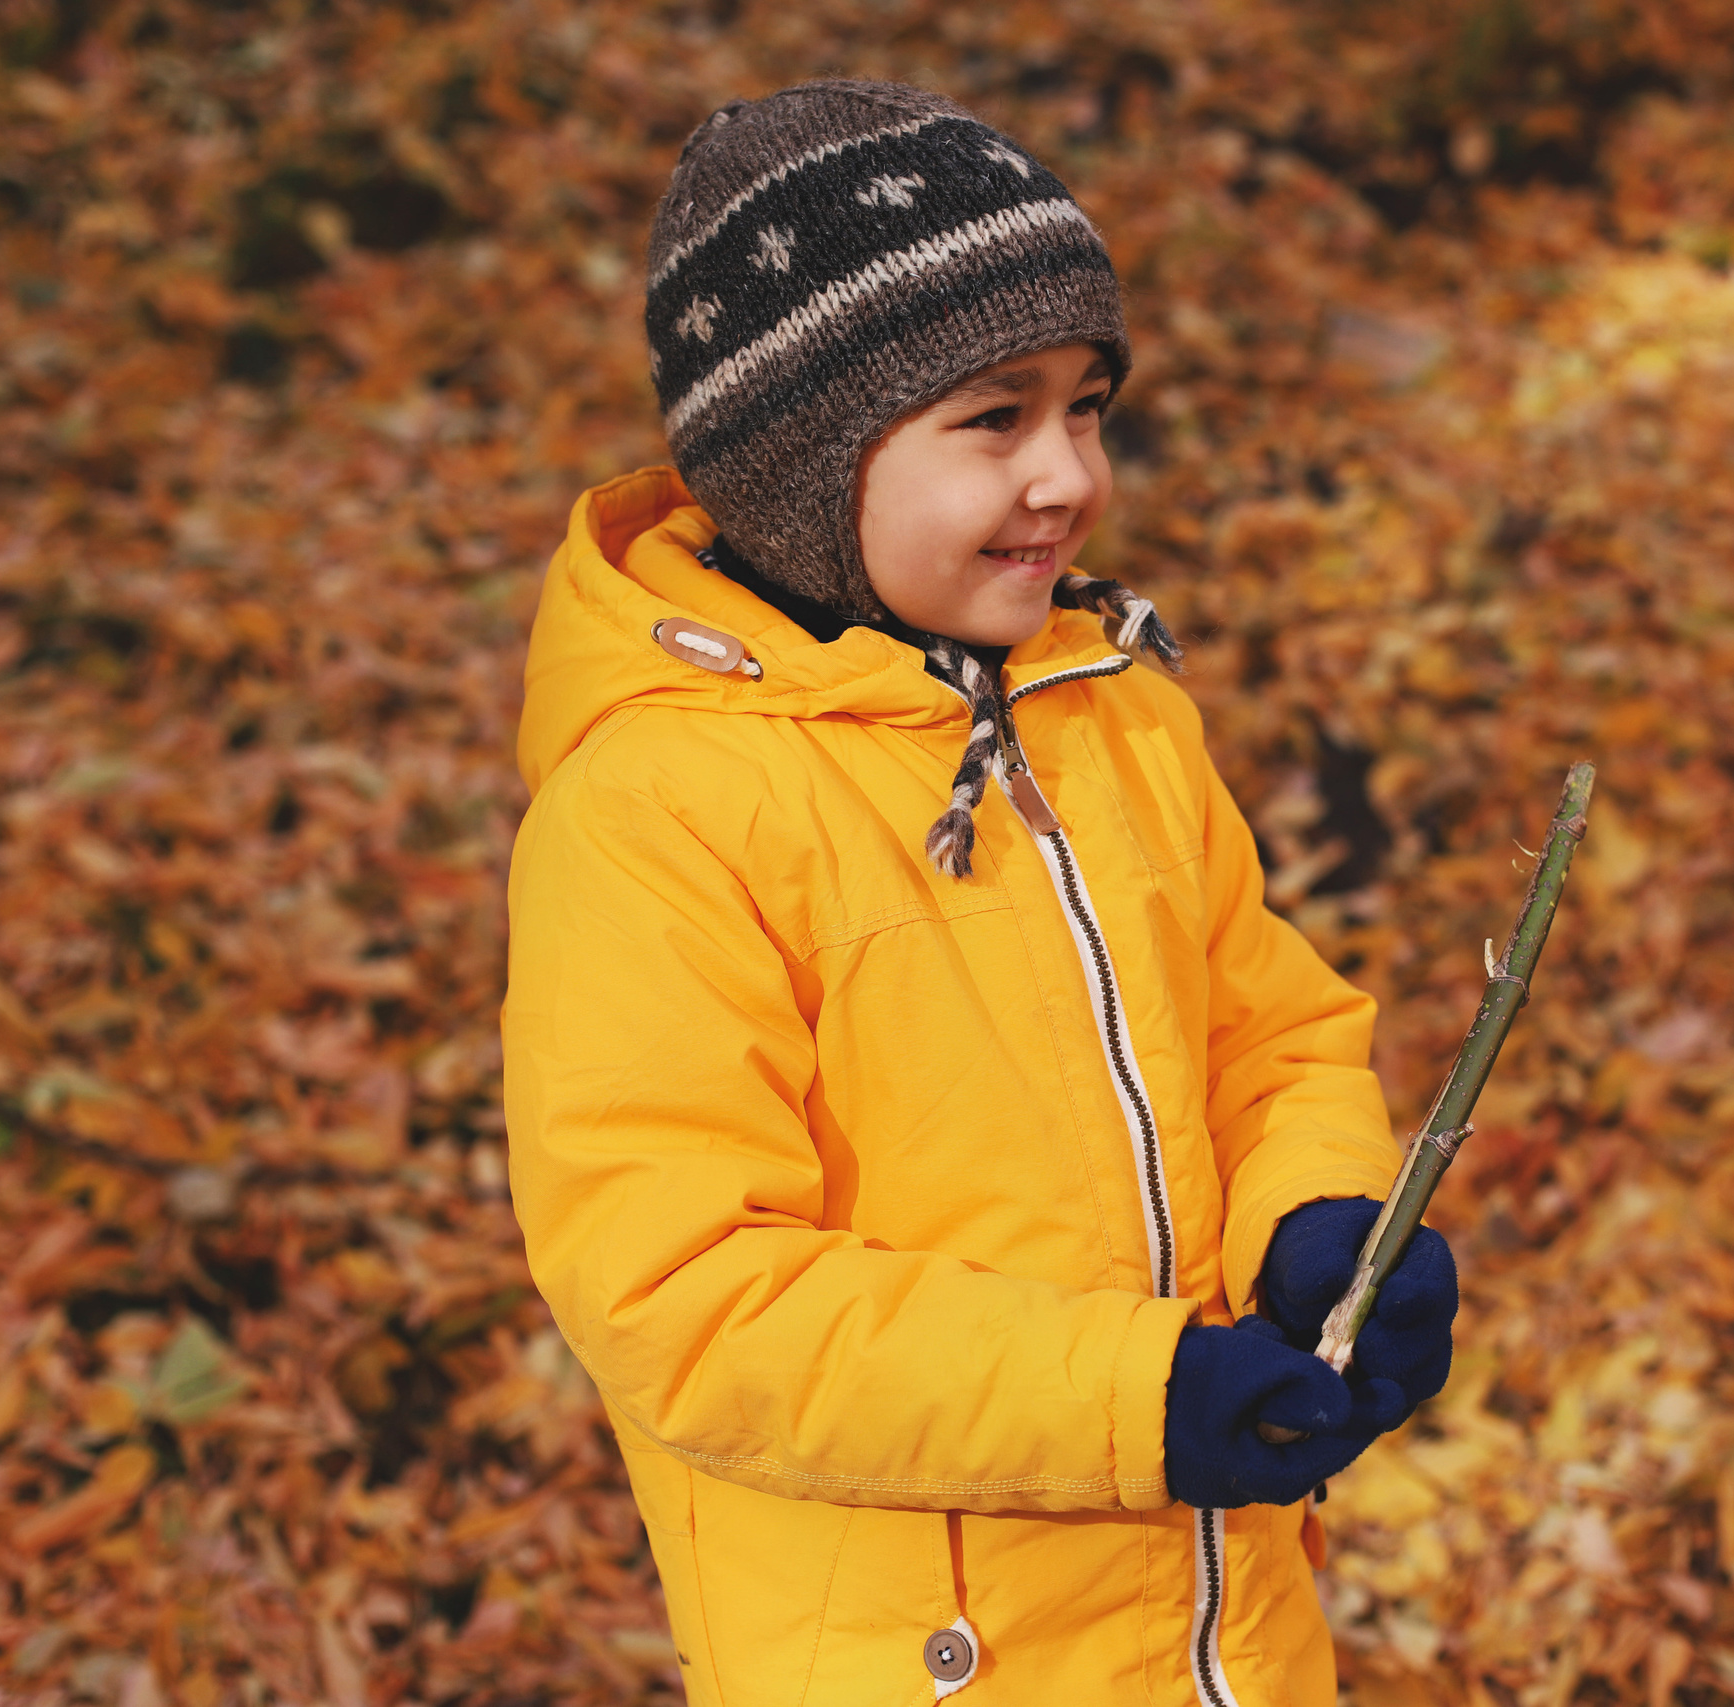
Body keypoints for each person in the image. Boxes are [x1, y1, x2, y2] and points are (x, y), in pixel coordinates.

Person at [503, 79, 1459, 1705]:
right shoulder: (663, 806)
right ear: (805, 463)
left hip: (1217, 1623)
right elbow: (692, 1294)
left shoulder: (1110, 707)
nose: (1068, 475)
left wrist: (1319, 1223)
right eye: (993, 419)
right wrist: (1131, 1402)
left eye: (1087, 406)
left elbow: (1267, 1032)